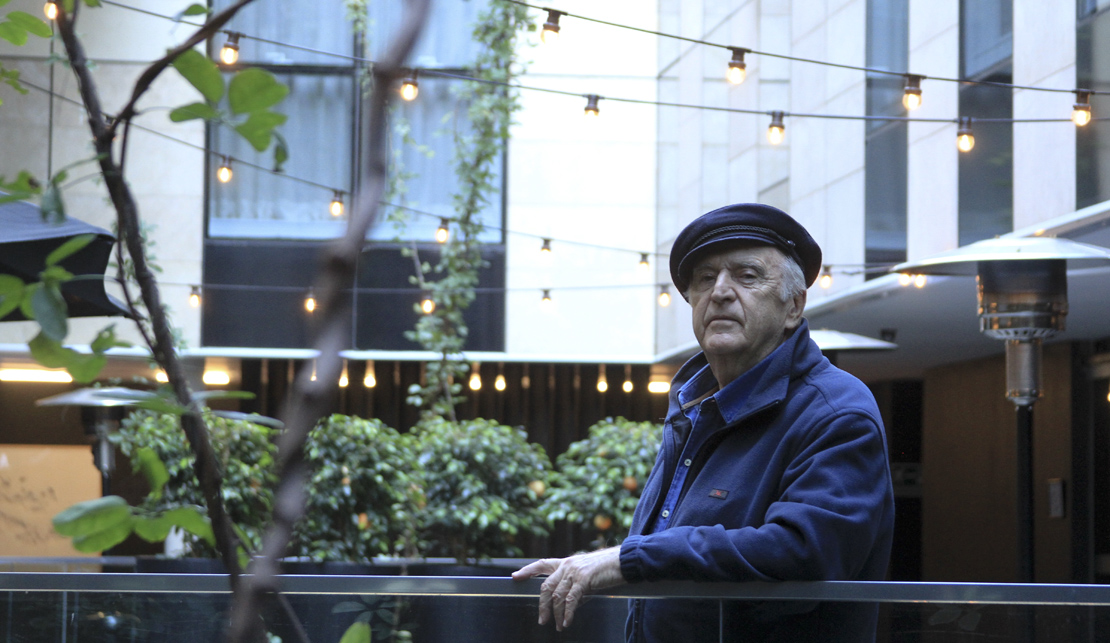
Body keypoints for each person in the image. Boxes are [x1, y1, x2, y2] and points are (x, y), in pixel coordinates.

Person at [513, 203, 895, 642]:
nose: (720, 292)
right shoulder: (692, 408)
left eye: (747, 276)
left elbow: (804, 555)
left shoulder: (836, 412)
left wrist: (627, 560)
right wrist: (589, 565)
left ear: (794, 305)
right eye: (705, 279)